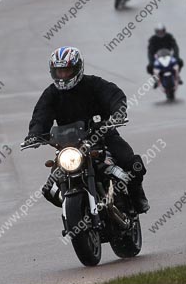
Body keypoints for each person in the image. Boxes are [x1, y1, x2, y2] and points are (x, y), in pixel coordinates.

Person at [21, 47, 150, 213]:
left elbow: (114, 95)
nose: (63, 76)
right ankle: (77, 210)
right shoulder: (51, 93)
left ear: (77, 68)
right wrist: (34, 134)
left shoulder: (93, 84)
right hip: (69, 145)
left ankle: (137, 199)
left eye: (67, 70)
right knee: (48, 189)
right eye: (59, 71)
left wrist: (118, 113)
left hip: (102, 135)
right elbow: (41, 115)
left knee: (133, 164)